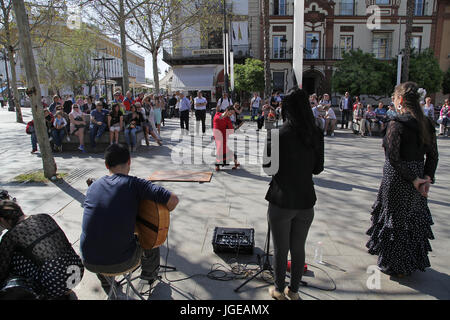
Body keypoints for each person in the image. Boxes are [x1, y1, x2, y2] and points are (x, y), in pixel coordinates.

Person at [81, 144, 179, 295]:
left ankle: (109, 287)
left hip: (88, 260)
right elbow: (173, 200)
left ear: (106, 165)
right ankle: (149, 275)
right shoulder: (136, 184)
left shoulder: (94, 186)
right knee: (151, 236)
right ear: (129, 162)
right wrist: (153, 219)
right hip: (122, 262)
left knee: (98, 238)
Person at [366, 81, 438, 277]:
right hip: (417, 174)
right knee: (411, 219)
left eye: (395, 97)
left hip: (398, 177)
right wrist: (426, 177)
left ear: (401, 100)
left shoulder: (397, 124)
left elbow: (393, 157)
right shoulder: (427, 123)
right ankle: (408, 262)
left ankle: (394, 264)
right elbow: (433, 155)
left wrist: (416, 179)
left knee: (395, 220)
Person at [265, 87, 324, 300]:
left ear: (286, 108)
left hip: (281, 200)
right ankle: (295, 291)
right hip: (306, 200)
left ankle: (279, 290)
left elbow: (268, 168)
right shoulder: (316, 132)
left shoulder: (277, 134)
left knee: (281, 250)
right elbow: (318, 168)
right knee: (298, 248)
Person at [0, 199, 84, 300]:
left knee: (12, 257)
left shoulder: (11, 235)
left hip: (54, 285)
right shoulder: (45, 217)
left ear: (2, 220)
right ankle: (63, 288)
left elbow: (2, 269)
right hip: (77, 271)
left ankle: (44, 293)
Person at [213, 105, 240, 171]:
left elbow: (231, 130)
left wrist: (235, 127)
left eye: (232, 113)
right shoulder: (217, 113)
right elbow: (214, 123)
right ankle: (236, 162)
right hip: (216, 135)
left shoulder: (228, 120)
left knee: (221, 149)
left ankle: (218, 165)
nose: (231, 114)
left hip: (223, 136)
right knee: (224, 149)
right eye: (230, 112)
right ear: (227, 110)